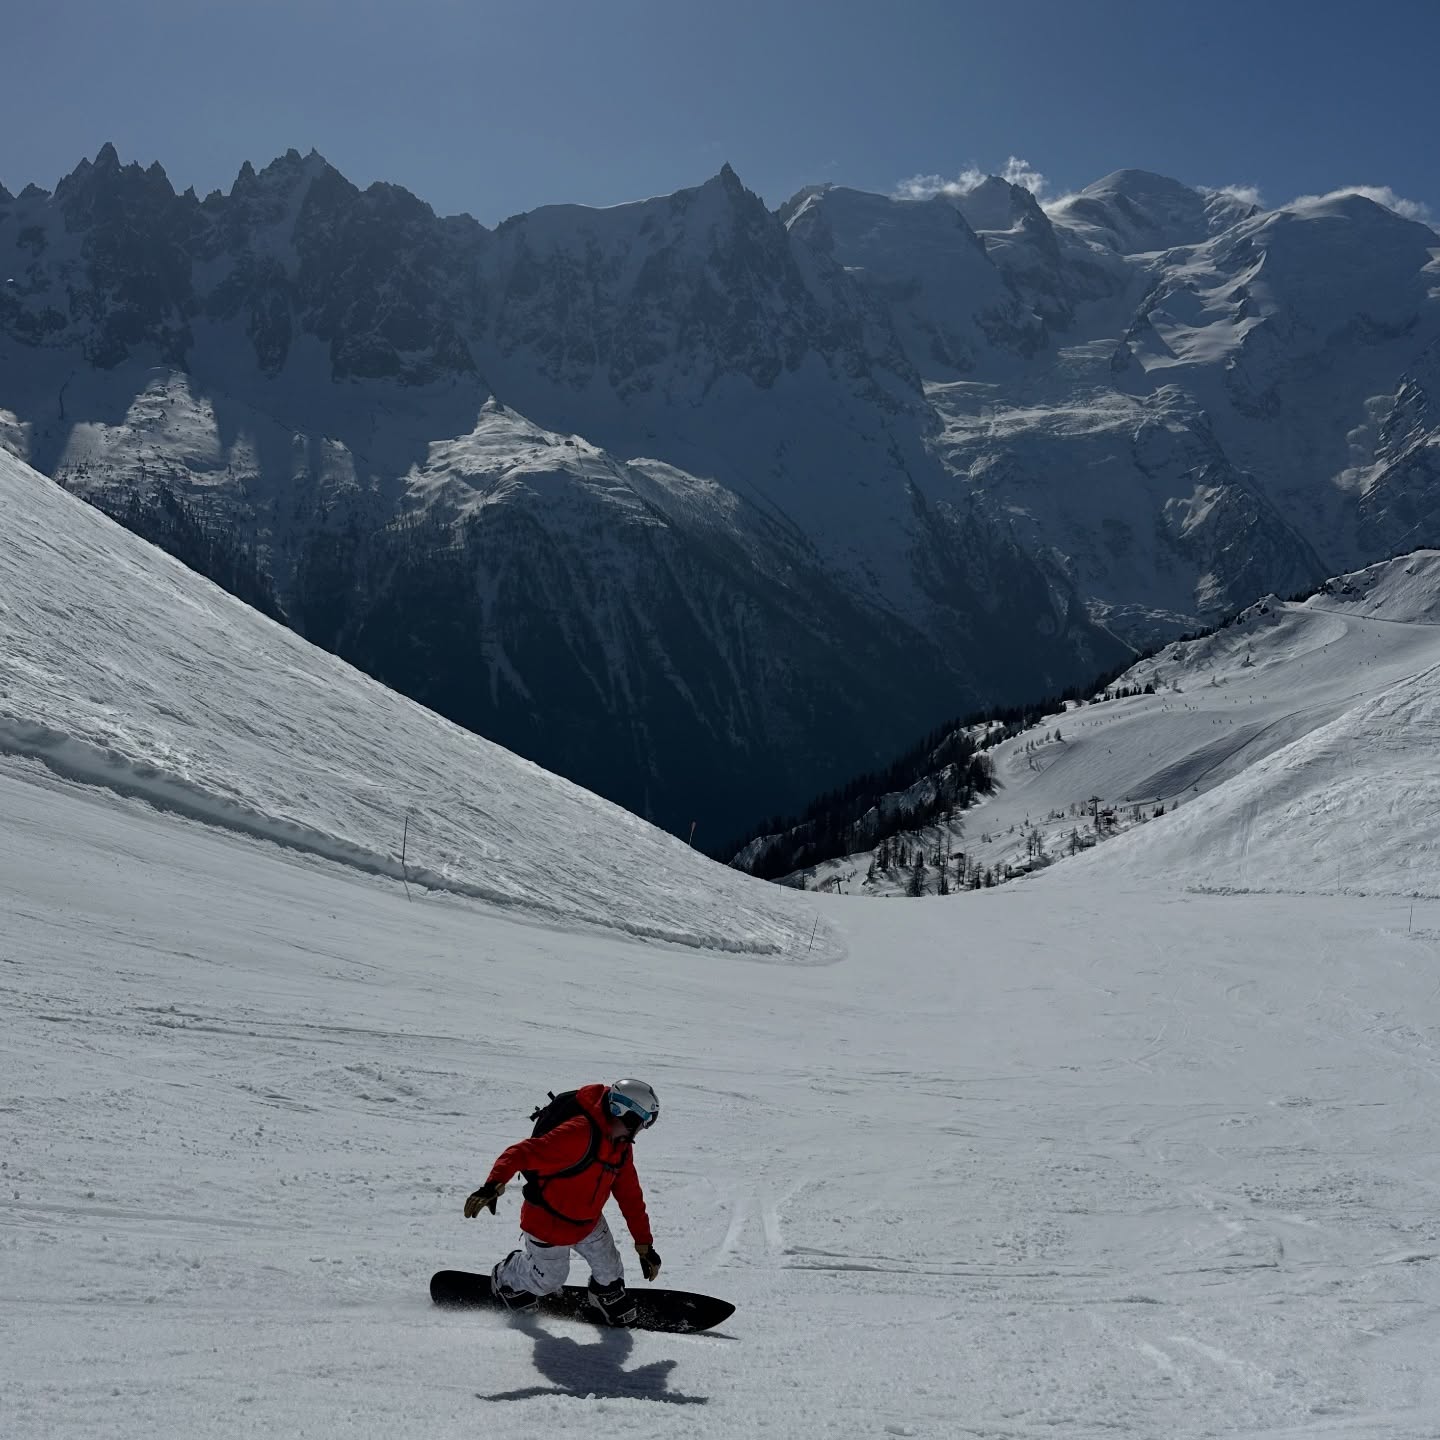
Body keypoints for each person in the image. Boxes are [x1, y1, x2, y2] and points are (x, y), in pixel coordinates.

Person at [464, 1078, 662, 1325]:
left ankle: (605, 1294)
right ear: (628, 1116)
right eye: (642, 1124)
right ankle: (507, 1277)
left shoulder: (620, 1147)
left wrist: (645, 1245)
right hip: (548, 1223)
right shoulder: (578, 1133)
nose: (641, 1131)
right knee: (549, 1280)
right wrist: (493, 1184)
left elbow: (631, 1196)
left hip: (588, 1222)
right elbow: (523, 1152)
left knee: (610, 1268)